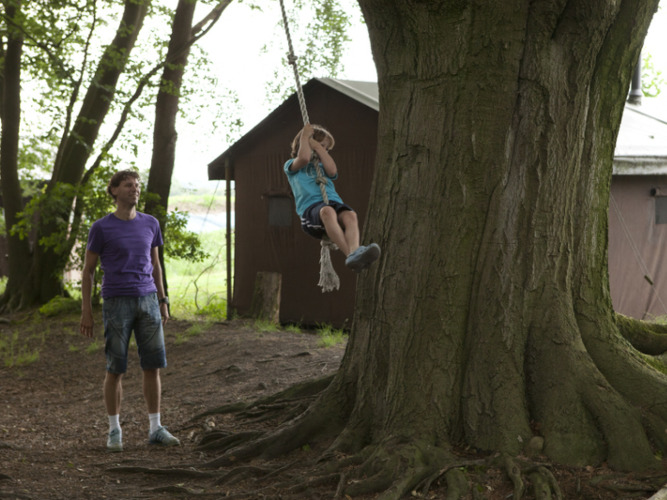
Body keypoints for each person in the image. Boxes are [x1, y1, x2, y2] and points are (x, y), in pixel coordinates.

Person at [80, 169, 180, 452]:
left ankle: (155, 428)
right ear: (114, 191)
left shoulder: (150, 223)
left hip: (148, 300)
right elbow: (88, 271)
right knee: (116, 368)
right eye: (127, 185)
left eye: (136, 185)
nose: (134, 189)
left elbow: (156, 264)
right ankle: (114, 431)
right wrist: (86, 311)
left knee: (153, 365)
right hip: (116, 302)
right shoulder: (101, 227)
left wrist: (163, 300)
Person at [284, 123, 381, 271]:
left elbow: (333, 171)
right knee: (327, 211)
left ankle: (356, 251)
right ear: (309, 142)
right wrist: (305, 137)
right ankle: (351, 255)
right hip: (311, 211)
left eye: (327, 149)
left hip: (332, 204)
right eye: (323, 146)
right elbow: (304, 158)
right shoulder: (292, 166)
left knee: (351, 215)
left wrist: (318, 148)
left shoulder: (322, 167)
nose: (325, 151)